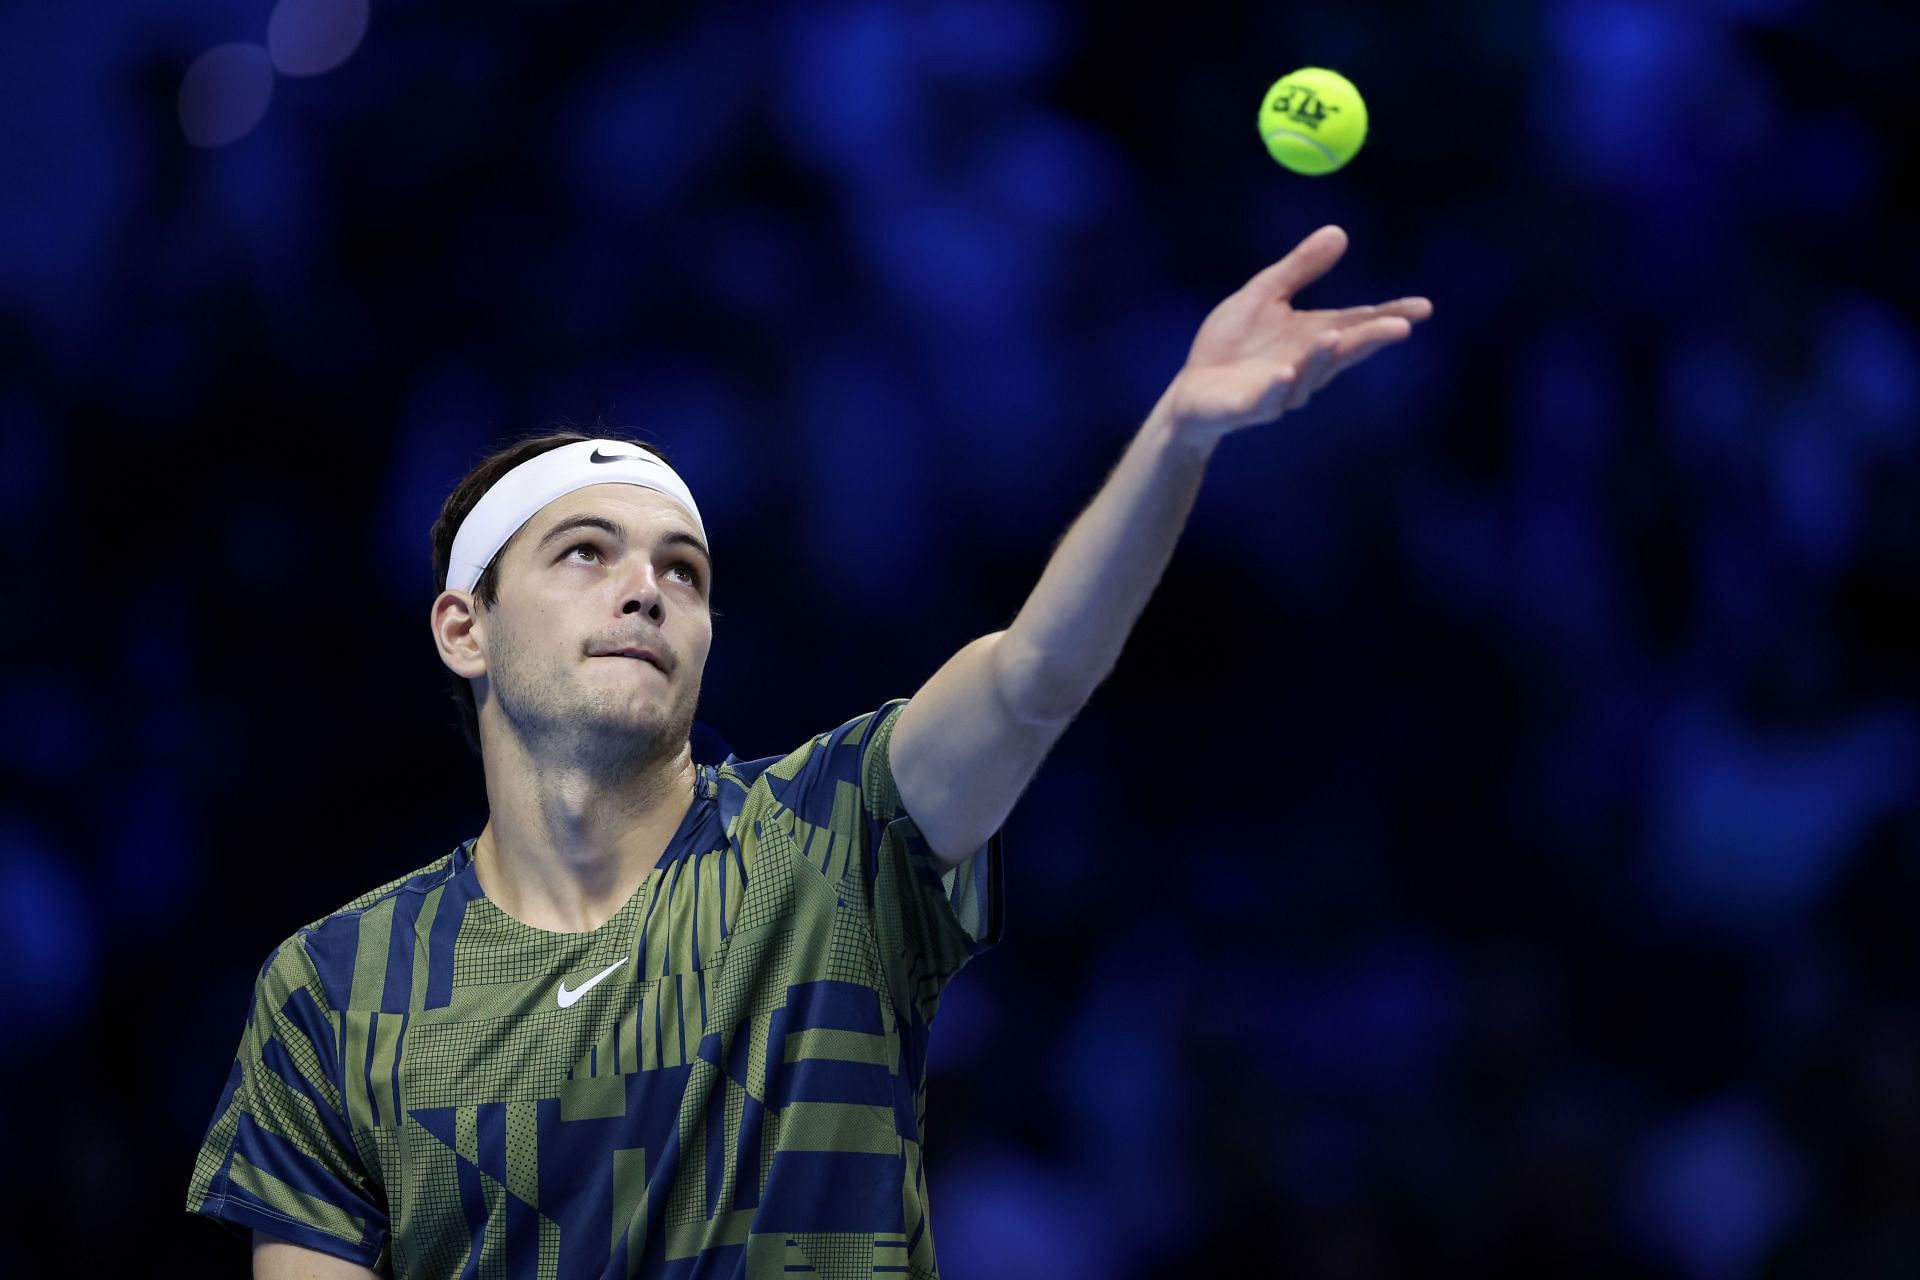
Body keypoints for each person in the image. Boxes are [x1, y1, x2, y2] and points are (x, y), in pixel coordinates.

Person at [185, 224, 1431, 1278]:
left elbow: (1036, 673)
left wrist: (1178, 435)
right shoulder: (335, 985)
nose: (647, 591)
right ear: (466, 626)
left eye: (684, 569)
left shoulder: (830, 846)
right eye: (586, 553)